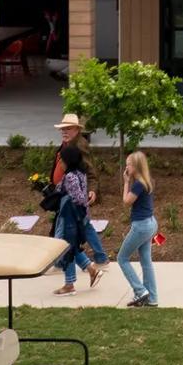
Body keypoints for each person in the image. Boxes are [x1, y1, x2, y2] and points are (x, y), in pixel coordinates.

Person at [48, 113, 104, 295]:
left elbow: (89, 175)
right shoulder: (67, 145)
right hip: (70, 210)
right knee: (69, 244)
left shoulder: (78, 149)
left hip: (70, 211)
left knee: (66, 245)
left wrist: (88, 192)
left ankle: (70, 283)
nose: (64, 131)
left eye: (68, 128)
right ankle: (91, 269)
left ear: (77, 130)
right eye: (62, 129)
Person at [115, 149, 159, 308]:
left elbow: (126, 202)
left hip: (141, 226)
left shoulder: (138, 184)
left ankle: (140, 291)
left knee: (122, 258)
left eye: (128, 165)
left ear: (137, 166)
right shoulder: (148, 181)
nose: (126, 167)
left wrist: (126, 182)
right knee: (146, 260)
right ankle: (152, 298)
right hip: (151, 223)